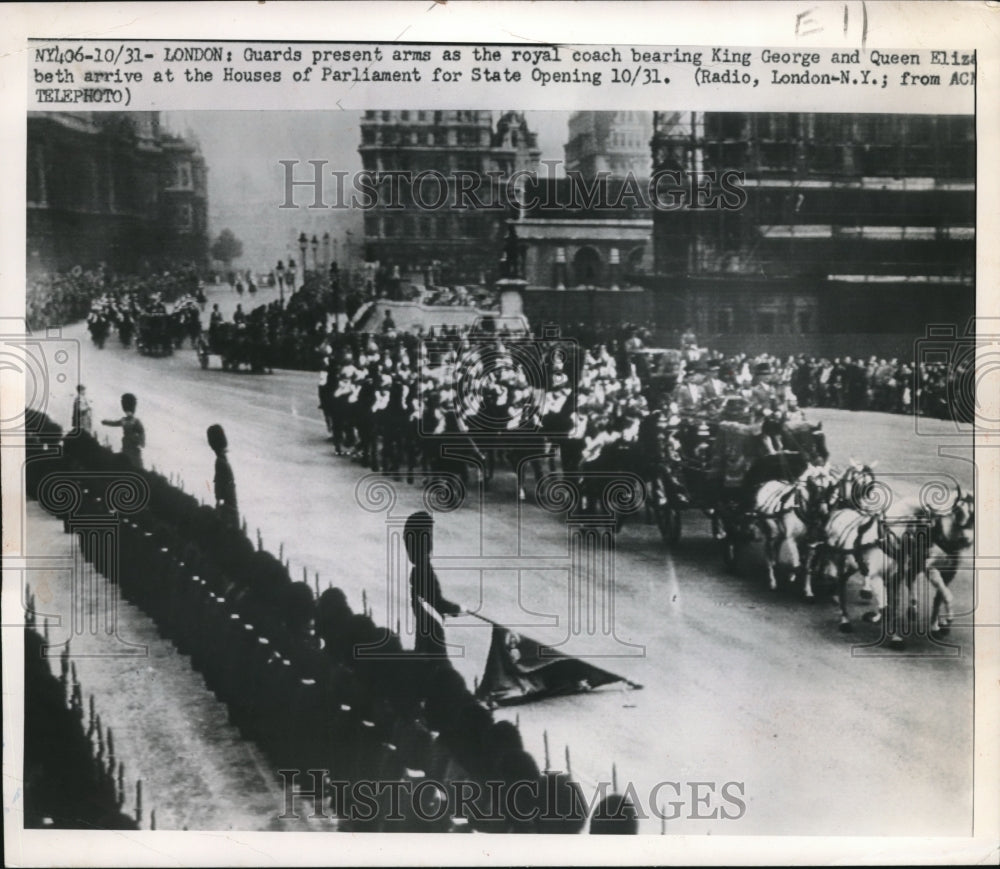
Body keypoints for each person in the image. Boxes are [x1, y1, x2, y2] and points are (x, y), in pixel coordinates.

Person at [404, 511, 461, 657]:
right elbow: (436, 602)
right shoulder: (425, 571)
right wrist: (458, 608)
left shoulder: (418, 570)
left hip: (424, 627)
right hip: (432, 629)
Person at [207, 424, 239, 529]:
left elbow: (220, 494)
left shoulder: (219, 462)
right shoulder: (224, 460)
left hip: (227, 514)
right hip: (232, 510)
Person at [101, 393, 145, 468]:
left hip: (134, 444)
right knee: (126, 461)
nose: (128, 413)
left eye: (129, 411)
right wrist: (105, 422)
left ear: (132, 411)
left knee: (135, 463)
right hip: (126, 443)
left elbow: (142, 432)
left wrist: (141, 443)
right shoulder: (123, 420)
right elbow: (114, 423)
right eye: (126, 411)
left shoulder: (136, 421)